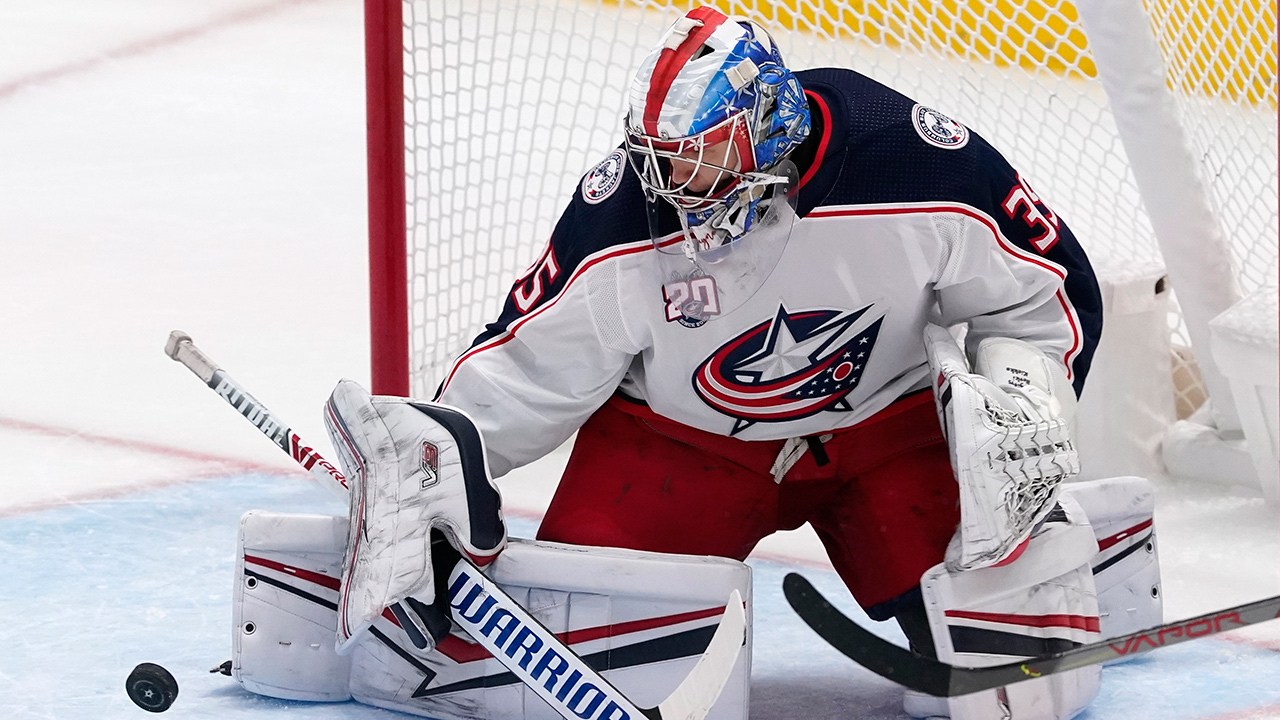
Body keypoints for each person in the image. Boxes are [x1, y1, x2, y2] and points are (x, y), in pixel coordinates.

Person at [336, 6, 1115, 719]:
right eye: (660, 159)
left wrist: (1024, 407)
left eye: (699, 159)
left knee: (999, 657)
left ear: (769, 126)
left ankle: (1062, 553)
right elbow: (530, 366)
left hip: (885, 432)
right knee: (583, 656)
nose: (672, 186)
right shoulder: (619, 217)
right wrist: (436, 468)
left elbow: (1049, 291)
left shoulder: (914, 162)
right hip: (682, 447)